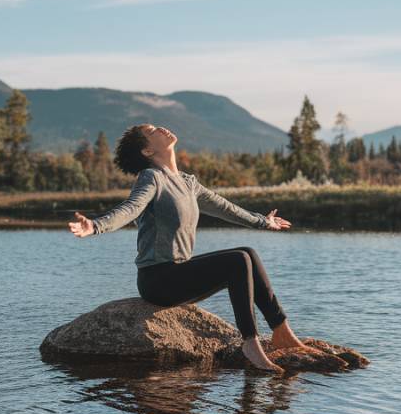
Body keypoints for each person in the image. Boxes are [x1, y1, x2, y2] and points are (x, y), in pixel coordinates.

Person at [67, 123, 315, 373]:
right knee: (238, 261)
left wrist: (264, 221)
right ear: (147, 152)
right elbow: (130, 209)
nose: (161, 128)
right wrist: (95, 226)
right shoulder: (152, 178)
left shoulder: (188, 183)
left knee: (248, 254)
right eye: (152, 131)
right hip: (158, 280)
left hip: (180, 273)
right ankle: (249, 342)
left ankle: (281, 332)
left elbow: (226, 208)